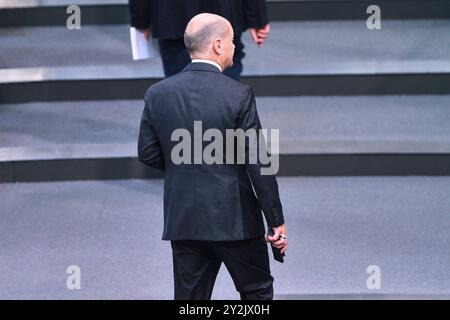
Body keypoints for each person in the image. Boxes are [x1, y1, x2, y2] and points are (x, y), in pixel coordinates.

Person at [137, 13, 287, 300]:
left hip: (184, 220)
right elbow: (259, 162)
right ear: (218, 45)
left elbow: (147, 152)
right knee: (256, 294)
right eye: (232, 40)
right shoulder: (238, 94)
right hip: (237, 221)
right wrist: (276, 221)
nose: (233, 46)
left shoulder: (157, 94)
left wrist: (186, 163)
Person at [128, 0, 270, 80]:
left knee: (181, 96)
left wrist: (140, 18)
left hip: (174, 16)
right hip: (223, 13)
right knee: (226, 94)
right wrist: (257, 16)